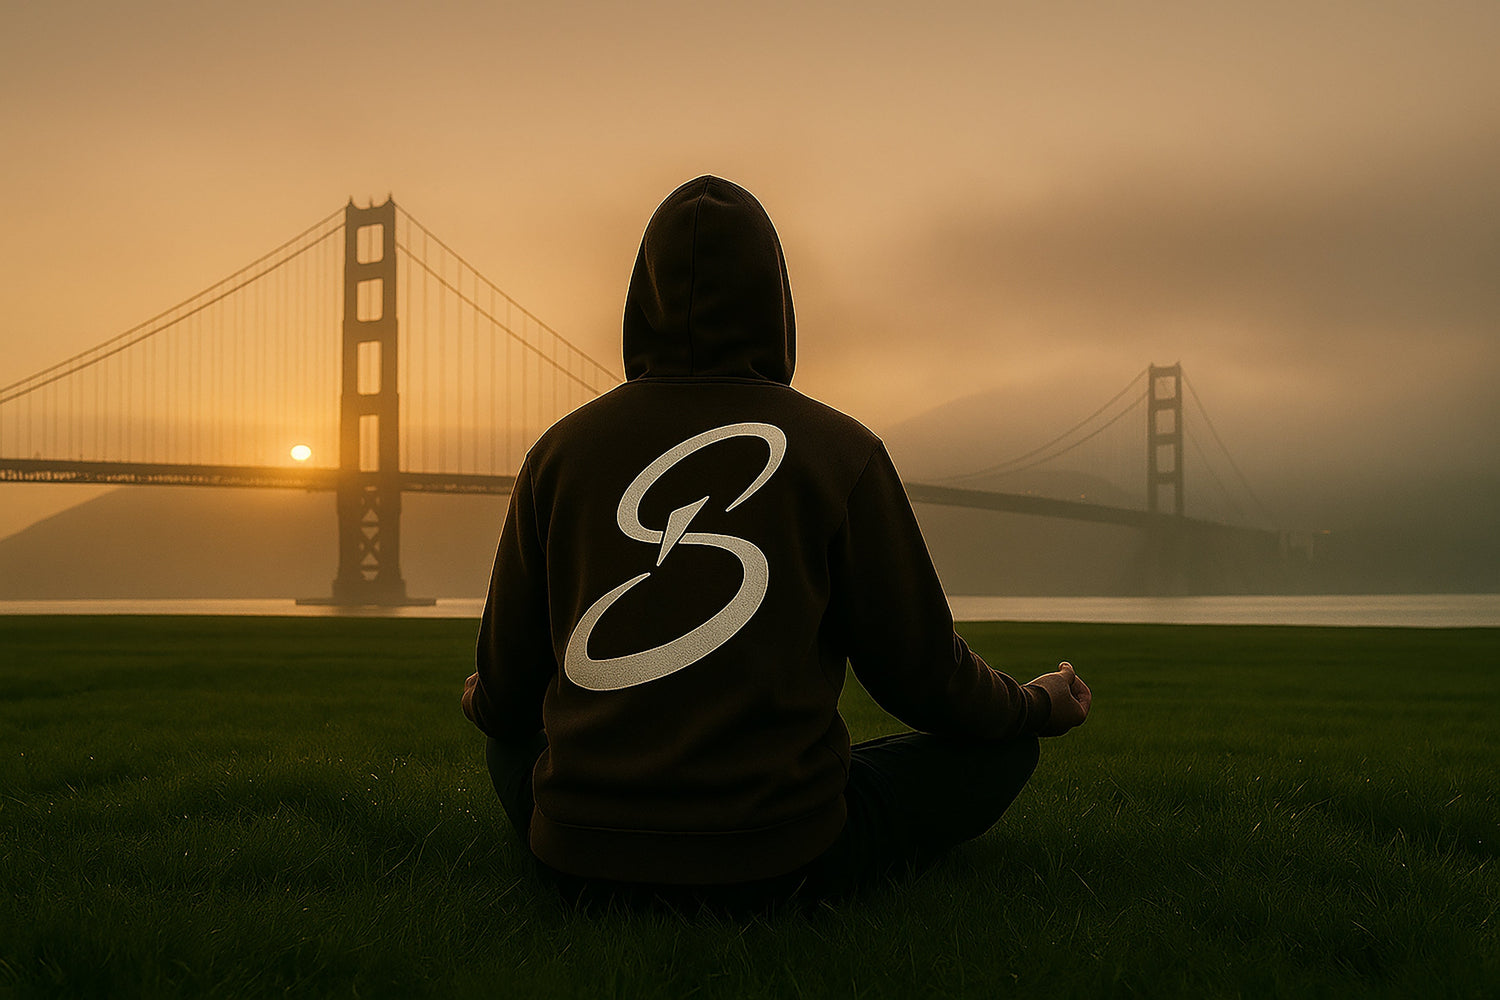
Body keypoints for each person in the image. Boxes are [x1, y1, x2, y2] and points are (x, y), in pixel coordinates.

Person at [461, 175, 1091, 908]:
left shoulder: (558, 454)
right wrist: (1037, 707)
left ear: (639, 299)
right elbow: (924, 679)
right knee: (1000, 748)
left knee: (508, 742)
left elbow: (507, 702)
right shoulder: (840, 451)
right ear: (778, 302)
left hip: (576, 864)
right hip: (785, 864)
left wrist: (488, 700)